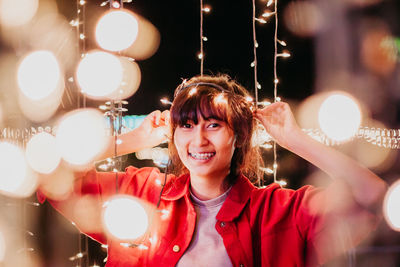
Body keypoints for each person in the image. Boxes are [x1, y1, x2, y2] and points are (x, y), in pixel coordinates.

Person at [39, 74, 387, 267]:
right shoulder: (142, 194)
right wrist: (132, 139)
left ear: (239, 137)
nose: (199, 139)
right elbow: (50, 173)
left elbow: (371, 197)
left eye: (214, 125)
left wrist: (296, 141)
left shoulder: (281, 212)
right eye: (187, 126)